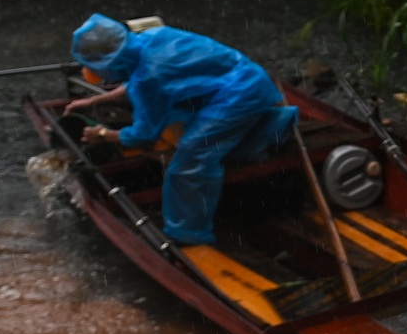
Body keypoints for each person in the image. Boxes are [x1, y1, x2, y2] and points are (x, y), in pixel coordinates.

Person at [64, 14, 297, 246]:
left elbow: (143, 136)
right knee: (204, 133)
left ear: (108, 64)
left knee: (189, 161)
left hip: (236, 95)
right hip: (245, 77)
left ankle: (188, 234)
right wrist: (94, 101)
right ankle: (273, 130)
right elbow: (138, 84)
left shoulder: (149, 78)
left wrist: (103, 134)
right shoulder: (150, 38)